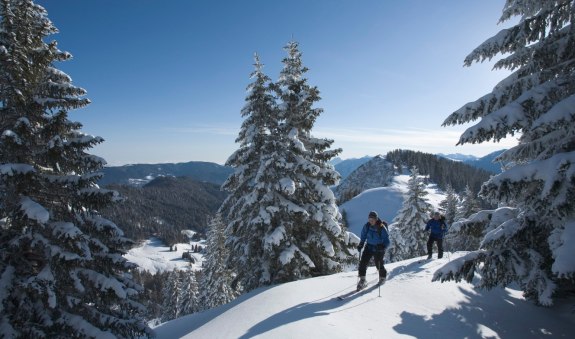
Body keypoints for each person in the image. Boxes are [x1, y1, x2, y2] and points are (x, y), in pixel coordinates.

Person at [356, 211, 390, 290]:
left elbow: (387, 241)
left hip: (378, 248)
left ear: (376, 219)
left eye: (372, 219)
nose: (371, 221)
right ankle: (362, 280)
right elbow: (363, 236)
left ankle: (382, 277)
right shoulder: (367, 226)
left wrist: (382, 246)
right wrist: (361, 244)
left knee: (378, 263)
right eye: (369, 219)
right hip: (369, 247)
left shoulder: (381, 228)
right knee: (363, 263)